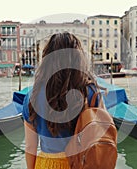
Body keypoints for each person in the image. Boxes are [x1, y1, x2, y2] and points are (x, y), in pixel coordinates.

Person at [22, 32, 102, 169]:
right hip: (80, 163)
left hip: (46, 164)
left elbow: (30, 146)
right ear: (78, 59)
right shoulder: (90, 92)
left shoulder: (32, 96)